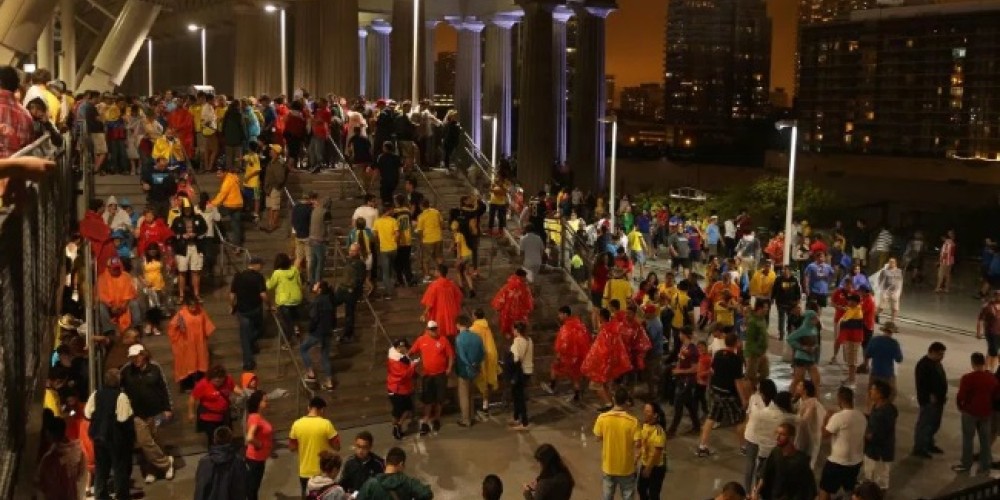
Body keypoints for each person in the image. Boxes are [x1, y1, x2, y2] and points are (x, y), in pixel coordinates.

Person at [118, 344, 175, 484]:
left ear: (144, 355)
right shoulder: (126, 371)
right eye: (132, 357)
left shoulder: (155, 368)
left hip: (156, 411)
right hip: (137, 414)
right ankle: (166, 463)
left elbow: (163, 387)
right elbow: (121, 390)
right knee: (145, 442)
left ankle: (154, 469)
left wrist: (168, 407)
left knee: (156, 441)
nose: (135, 360)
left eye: (137, 356)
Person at [85, 368, 135, 500]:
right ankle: (122, 495)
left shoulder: (96, 394)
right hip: (115, 437)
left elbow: (87, 413)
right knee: (119, 467)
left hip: (97, 436)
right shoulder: (121, 396)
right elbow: (123, 418)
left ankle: (101, 494)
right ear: (118, 381)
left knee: (101, 467)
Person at [697, 333, 746, 457]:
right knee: (739, 420)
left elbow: (712, 372)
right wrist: (743, 399)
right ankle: (744, 447)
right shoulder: (736, 360)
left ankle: (702, 446)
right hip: (729, 394)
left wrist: (710, 387)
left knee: (711, 417)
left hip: (716, 391)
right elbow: (738, 381)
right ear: (736, 343)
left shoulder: (718, 354)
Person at [952, 352, 999, 473]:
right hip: (986, 412)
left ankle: (966, 464)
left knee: (968, 438)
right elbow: (996, 396)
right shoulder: (992, 379)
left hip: (970, 412)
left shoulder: (968, 378)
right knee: (985, 440)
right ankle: (985, 465)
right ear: (984, 363)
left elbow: (961, 396)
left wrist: (961, 406)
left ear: (972, 363)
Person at [818, 387, 866, 500]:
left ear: (839, 399)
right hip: (856, 461)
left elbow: (824, 435)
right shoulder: (861, 416)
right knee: (849, 490)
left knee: (825, 490)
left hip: (837, 462)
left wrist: (826, 418)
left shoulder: (838, 417)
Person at [593, 388, 641, 500]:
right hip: (626, 467)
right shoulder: (633, 422)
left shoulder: (602, 418)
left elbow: (597, 437)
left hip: (608, 465)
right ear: (626, 402)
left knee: (607, 496)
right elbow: (638, 444)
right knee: (628, 496)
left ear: (613, 399)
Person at [581, 308, 633, 410]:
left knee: (595, 385)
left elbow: (601, 350)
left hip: (604, 364)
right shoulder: (613, 328)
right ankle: (615, 403)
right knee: (607, 385)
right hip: (612, 363)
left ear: (601, 317)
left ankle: (609, 404)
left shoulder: (606, 330)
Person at [409, 321, 455, 435]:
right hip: (427, 375)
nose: (434, 331)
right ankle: (426, 420)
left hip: (440, 374)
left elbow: (450, 355)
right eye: (432, 329)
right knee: (428, 399)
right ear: (427, 330)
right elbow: (411, 352)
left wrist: (449, 368)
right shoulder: (421, 340)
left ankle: (437, 418)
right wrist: (411, 365)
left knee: (440, 398)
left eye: (435, 329)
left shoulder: (443, 340)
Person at [289, 397, 342, 496]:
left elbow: (292, 447)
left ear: (309, 408)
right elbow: (337, 446)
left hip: (304, 471)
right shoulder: (326, 424)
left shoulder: (296, 424)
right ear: (322, 410)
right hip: (323, 471)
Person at [751, 423, 817, 500]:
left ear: (791, 438)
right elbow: (765, 474)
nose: (777, 437)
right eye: (777, 433)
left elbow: (808, 487)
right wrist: (756, 492)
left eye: (782, 434)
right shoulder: (776, 452)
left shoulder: (801, 460)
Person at [541, 306, 592, 403]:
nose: (558, 316)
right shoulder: (581, 326)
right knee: (575, 376)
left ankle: (551, 386)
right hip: (581, 355)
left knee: (554, 368)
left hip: (569, 356)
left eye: (560, 314)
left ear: (565, 314)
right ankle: (577, 396)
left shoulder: (566, 328)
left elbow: (563, 344)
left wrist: (558, 356)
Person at [35, 409, 86, 499]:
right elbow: (81, 476)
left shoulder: (50, 458)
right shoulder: (78, 450)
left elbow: (42, 485)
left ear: (48, 433)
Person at [168, 298, 216, 390]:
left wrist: (205, 336)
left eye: (195, 306)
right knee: (187, 364)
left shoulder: (201, 312)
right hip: (186, 343)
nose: (193, 308)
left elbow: (207, 326)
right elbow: (172, 326)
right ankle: (187, 385)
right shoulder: (181, 314)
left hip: (199, 343)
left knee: (200, 362)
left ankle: (201, 383)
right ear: (187, 305)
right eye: (191, 306)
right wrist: (178, 326)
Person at [189, 365, 239, 449]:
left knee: (227, 437)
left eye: (220, 380)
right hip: (209, 418)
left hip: (224, 416)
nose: (218, 382)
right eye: (215, 380)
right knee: (213, 440)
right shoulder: (203, 383)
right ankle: (214, 456)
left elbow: (234, 387)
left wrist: (242, 392)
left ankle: (227, 455)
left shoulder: (228, 380)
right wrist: (191, 413)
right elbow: (192, 398)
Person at [231, 256, 268, 370]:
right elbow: (263, 295)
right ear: (256, 265)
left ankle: (248, 361)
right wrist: (270, 305)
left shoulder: (238, 276)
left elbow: (232, 295)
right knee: (259, 329)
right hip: (255, 309)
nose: (261, 268)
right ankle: (252, 344)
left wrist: (232, 306)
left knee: (244, 337)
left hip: (242, 310)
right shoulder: (259, 277)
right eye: (261, 266)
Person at [912, 341, 947, 458]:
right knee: (925, 424)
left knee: (934, 424)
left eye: (943, 354)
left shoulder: (936, 363)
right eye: (940, 354)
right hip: (929, 401)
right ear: (931, 352)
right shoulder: (923, 365)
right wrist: (930, 396)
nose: (942, 357)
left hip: (939, 400)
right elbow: (922, 384)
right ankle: (919, 447)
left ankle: (929, 443)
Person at [357, 446, 434, 499]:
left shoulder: (371, 484)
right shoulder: (407, 482)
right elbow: (426, 494)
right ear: (401, 464)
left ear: (385, 463)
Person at [193, 426, 246, 500]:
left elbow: (200, 489)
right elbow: (240, 489)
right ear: (231, 440)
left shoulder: (204, 462)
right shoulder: (238, 462)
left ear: (214, 440)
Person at [862, 380, 897, 494]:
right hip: (872, 452)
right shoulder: (877, 406)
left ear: (880, 394)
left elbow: (878, 435)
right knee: (869, 478)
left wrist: (864, 436)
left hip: (880, 454)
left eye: (873, 390)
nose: (870, 391)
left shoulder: (886, 412)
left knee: (880, 483)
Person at [303, 280, 336, 391]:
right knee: (325, 357)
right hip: (328, 331)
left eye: (316, 284)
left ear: (320, 289)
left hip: (318, 331)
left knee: (303, 348)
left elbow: (314, 318)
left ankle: (310, 372)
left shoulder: (318, 301)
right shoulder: (329, 299)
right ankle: (329, 382)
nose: (314, 285)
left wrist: (310, 329)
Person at [97, 256, 142, 335]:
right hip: (110, 308)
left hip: (124, 306)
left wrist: (124, 305)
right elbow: (101, 295)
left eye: (118, 268)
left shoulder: (126, 276)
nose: (116, 270)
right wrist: (111, 307)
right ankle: (108, 330)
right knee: (100, 306)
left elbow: (130, 293)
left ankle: (137, 328)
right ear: (108, 268)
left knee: (134, 303)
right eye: (114, 268)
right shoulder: (102, 278)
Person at [455, 314, 485, 427]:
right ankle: (472, 416)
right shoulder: (477, 337)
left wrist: (469, 364)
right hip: (476, 368)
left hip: (464, 370)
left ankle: (466, 419)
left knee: (463, 395)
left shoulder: (459, 338)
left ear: (458, 325)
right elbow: (483, 353)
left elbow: (462, 356)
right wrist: (475, 363)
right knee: (471, 394)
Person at [267, 252, 304, 344]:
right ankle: (297, 330)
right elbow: (300, 283)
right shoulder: (295, 270)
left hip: (284, 300)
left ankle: (287, 341)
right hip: (296, 298)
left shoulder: (277, 273)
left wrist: (266, 280)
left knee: (287, 323)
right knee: (295, 317)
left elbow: (269, 286)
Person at [470, 308, 500, 416]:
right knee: (488, 380)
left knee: (480, 380)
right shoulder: (487, 327)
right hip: (490, 355)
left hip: (480, 357)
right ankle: (485, 404)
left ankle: (474, 405)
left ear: (475, 316)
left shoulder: (473, 329)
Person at [420, 264, 464, 338]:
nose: (434, 272)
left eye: (435, 270)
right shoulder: (452, 284)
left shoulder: (434, 285)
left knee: (440, 334)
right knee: (452, 335)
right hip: (452, 313)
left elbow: (430, 303)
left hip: (440, 314)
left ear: (439, 272)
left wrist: (424, 314)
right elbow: (460, 297)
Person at [387, 338, 418, 440]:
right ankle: (396, 427)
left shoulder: (401, 357)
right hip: (396, 389)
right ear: (400, 348)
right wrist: (413, 366)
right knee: (397, 412)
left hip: (404, 389)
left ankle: (398, 426)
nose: (407, 350)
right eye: (405, 347)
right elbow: (402, 375)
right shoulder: (395, 361)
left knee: (407, 409)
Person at [244, 391, 273, 500]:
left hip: (259, 458)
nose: (267, 402)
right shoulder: (255, 417)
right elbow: (250, 437)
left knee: (254, 488)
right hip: (254, 459)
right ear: (258, 403)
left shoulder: (258, 417)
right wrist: (260, 444)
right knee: (252, 489)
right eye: (265, 401)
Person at [491, 268, 535, 338]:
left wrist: (498, 307)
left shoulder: (509, 285)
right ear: (521, 276)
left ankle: (509, 333)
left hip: (510, 309)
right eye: (524, 277)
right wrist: (529, 307)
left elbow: (501, 296)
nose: (525, 279)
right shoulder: (522, 286)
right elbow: (528, 298)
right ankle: (515, 332)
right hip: (517, 309)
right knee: (517, 321)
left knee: (508, 321)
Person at [794, 379, 827, 470]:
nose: (797, 387)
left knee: (811, 458)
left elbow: (804, 419)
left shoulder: (812, 402)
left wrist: (791, 418)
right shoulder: (801, 400)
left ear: (805, 390)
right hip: (804, 432)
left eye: (800, 386)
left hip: (813, 433)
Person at [638, 402, 668, 500]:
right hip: (645, 463)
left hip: (656, 467)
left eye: (648, 411)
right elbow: (643, 444)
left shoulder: (659, 432)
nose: (645, 413)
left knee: (653, 494)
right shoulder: (645, 425)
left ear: (655, 415)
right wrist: (637, 456)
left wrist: (648, 468)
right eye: (644, 410)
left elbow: (657, 453)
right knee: (641, 489)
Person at [509, 321, 535, 431]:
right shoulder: (529, 340)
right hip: (528, 370)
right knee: (519, 395)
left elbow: (516, 358)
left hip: (520, 371)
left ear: (517, 330)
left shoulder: (518, 341)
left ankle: (524, 422)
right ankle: (517, 418)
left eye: (513, 329)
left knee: (519, 397)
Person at [372, 201, 400, 299]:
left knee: (385, 272)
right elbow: (397, 234)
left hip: (384, 249)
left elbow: (375, 235)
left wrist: (378, 241)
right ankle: (393, 284)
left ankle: (389, 292)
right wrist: (394, 241)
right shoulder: (393, 221)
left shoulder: (377, 222)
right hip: (393, 248)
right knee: (392, 268)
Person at [976, 290, 1000, 371]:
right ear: (994, 296)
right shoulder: (987, 306)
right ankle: (989, 370)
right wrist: (978, 332)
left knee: (992, 351)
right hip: (991, 332)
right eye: (997, 295)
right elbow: (980, 319)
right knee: (993, 352)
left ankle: (989, 368)